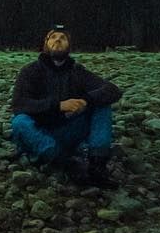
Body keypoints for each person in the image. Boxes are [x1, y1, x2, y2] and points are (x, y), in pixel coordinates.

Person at [10, 25, 122, 188]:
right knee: (20, 122)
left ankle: (97, 165)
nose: (58, 40)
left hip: (67, 132)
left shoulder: (77, 72)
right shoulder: (30, 71)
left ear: (69, 46)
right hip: (38, 134)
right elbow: (19, 104)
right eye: (53, 37)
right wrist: (58, 105)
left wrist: (85, 100)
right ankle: (67, 164)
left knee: (101, 104)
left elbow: (112, 90)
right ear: (46, 43)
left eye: (63, 38)